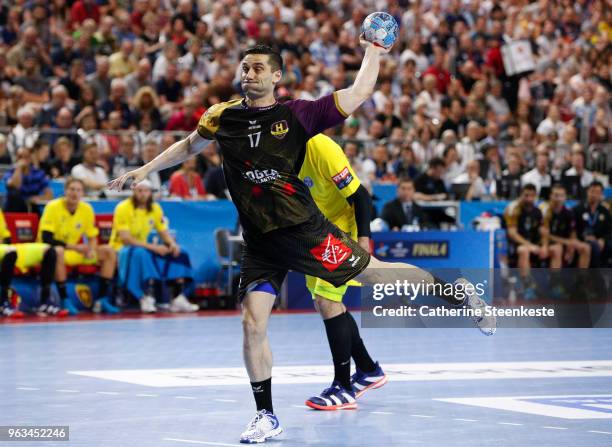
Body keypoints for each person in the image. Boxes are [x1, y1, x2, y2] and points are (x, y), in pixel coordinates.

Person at [110, 44, 495, 444]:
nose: (249, 74)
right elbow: (190, 144)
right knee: (251, 322)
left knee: (374, 275)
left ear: (276, 76)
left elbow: (359, 92)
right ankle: (266, 417)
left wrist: (373, 51)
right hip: (260, 241)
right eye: (244, 67)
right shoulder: (222, 115)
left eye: (258, 68)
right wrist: (146, 168)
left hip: (304, 231)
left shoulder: (297, 114)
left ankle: (456, 292)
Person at [296, 133, 386, 410]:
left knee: (328, 301)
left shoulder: (321, 148)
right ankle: (369, 369)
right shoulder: (275, 152)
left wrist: (363, 245)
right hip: (315, 231)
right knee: (324, 303)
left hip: (342, 228)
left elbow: (361, 197)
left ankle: (343, 387)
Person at [109, 180, 197, 314]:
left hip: (144, 247)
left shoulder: (156, 208)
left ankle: (178, 297)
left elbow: (163, 232)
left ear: (150, 193)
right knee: (141, 254)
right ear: (133, 192)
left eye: (145, 191)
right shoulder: (123, 208)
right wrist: (154, 248)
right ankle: (144, 296)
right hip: (121, 248)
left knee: (180, 252)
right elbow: (126, 239)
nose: (142, 194)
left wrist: (172, 244)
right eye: (139, 191)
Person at [37, 177, 119, 315]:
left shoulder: (86, 209)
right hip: (49, 251)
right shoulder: (52, 207)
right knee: (58, 251)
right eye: (72, 189)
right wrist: (76, 248)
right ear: (65, 191)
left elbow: (92, 236)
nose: (75, 193)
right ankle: (64, 300)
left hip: (74, 251)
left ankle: (102, 300)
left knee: (108, 251)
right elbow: (47, 239)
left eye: (79, 190)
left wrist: (91, 249)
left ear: (83, 193)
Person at [0, 209, 65, 318]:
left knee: (49, 250)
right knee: (10, 252)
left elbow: (6, 237)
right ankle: (3, 302)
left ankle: (45, 302)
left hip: (7, 247)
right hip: (7, 249)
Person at [504, 184, 549, 299]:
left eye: (532, 195)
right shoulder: (514, 208)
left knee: (557, 249)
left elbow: (543, 231)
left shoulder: (539, 211)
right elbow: (512, 233)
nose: (529, 198)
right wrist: (529, 245)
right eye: (526, 195)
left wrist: (544, 246)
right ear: (521, 195)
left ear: (536, 196)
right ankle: (527, 286)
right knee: (524, 250)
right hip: (517, 246)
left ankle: (556, 285)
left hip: (535, 245)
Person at [540, 183, 590, 268]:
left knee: (585, 247)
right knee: (557, 248)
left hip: (563, 241)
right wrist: (566, 242)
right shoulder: (544, 210)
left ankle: (583, 279)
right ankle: (556, 280)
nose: (558, 199)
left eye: (561, 196)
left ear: (565, 197)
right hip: (545, 242)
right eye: (556, 195)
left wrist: (571, 247)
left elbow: (572, 232)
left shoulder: (568, 212)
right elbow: (545, 234)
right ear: (550, 196)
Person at [573, 181, 612, 268]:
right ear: (587, 192)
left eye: (597, 192)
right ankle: (595, 277)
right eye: (592, 191)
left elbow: (609, 231)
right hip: (583, 239)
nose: (594, 195)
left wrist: (603, 239)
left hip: (599, 240)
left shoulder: (604, 211)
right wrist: (584, 237)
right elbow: (573, 229)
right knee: (593, 246)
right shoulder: (577, 209)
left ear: (601, 195)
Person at [3, 146, 52, 213]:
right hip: (13, 209)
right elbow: (16, 185)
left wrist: (35, 198)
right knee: (14, 196)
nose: (23, 159)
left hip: (31, 207)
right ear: (16, 158)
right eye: (20, 157)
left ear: (30, 158)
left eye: (26, 156)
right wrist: (19, 168)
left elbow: (49, 196)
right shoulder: (10, 172)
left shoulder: (39, 173)